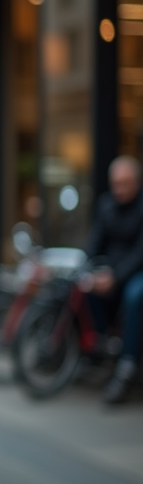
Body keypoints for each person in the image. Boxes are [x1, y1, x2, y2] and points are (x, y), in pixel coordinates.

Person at [87, 156, 143, 404]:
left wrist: (115, 277)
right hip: (112, 268)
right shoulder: (106, 204)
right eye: (116, 183)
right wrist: (84, 264)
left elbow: (140, 253)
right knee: (85, 285)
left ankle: (127, 365)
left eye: (126, 183)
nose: (120, 189)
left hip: (136, 271)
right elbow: (94, 240)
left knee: (134, 296)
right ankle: (101, 346)